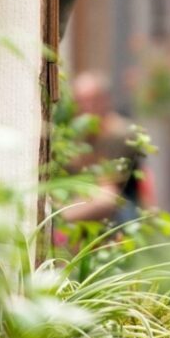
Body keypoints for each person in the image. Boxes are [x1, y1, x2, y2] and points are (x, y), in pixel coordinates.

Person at [60, 70, 152, 226]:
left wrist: (61, 216)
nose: (85, 107)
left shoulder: (121, 134)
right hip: (81, 202)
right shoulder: (74, 134)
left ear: (105, 100)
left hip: (121, 211)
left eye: (91, 100)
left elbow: (107, 190)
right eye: (80, 101)